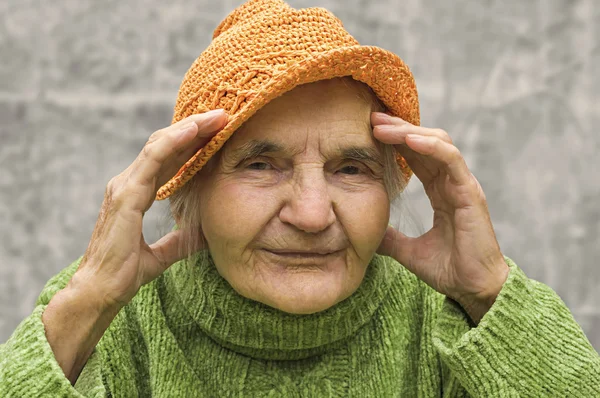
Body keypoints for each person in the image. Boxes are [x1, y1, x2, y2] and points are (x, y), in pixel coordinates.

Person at [1, 0, 599, 396]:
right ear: (190, 188)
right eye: (261, 165)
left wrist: (488, 288)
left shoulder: (454, 317)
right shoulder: (99, 318)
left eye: (351, 168)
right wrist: (88, 304)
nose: (313, 215)